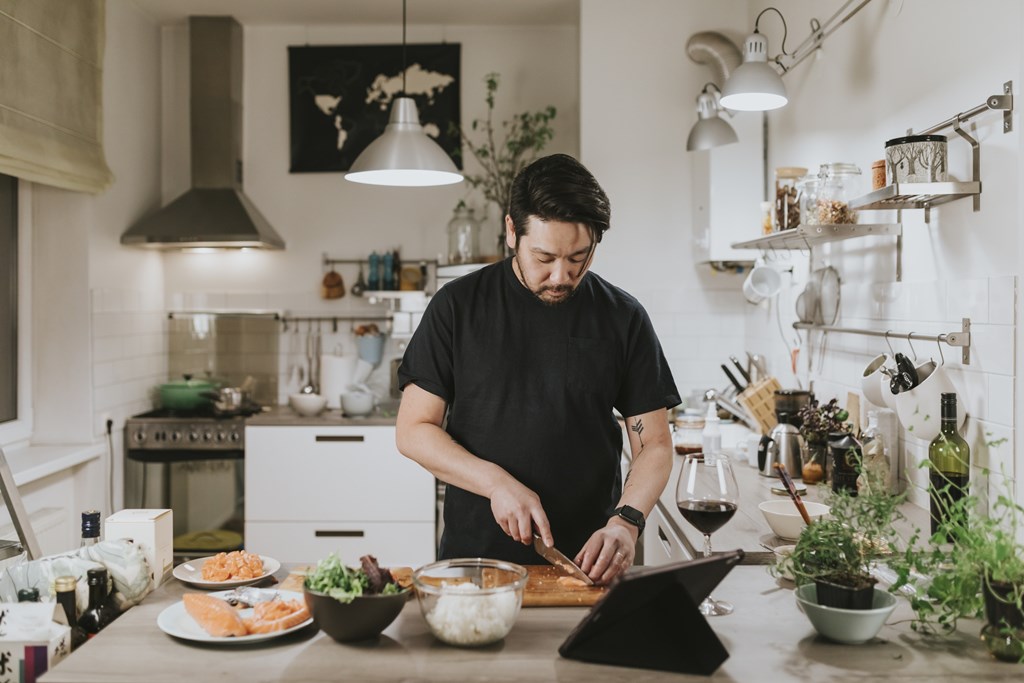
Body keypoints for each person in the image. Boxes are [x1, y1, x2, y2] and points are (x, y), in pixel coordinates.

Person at [396, 153, 679, 584]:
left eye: (579, 257)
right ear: (512, 231)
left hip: (589, 564)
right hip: (476, 563)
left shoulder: (623, 317)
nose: (561, 276)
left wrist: (627, 521)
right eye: (544, 257)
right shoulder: (458, 307)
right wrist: (496, 483)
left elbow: (655, 445)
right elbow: (413, 430)